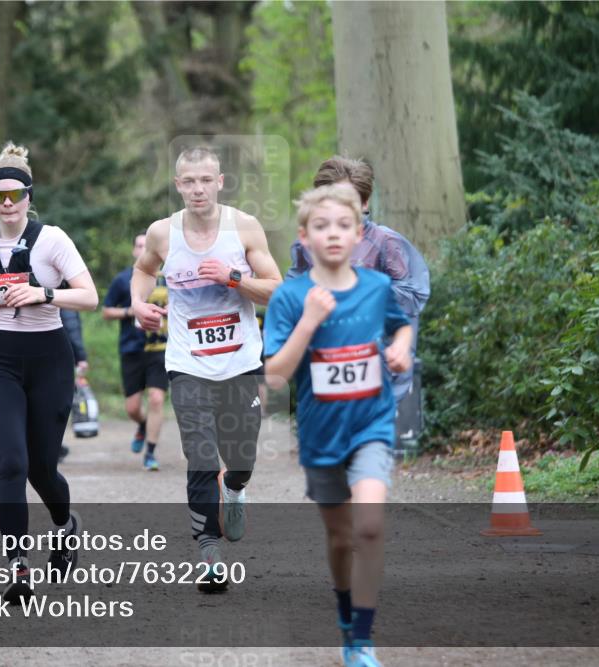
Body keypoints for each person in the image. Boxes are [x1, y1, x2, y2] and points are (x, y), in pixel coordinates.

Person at [264, 184, 412, 667]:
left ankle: (361, 641)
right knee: (341, 537)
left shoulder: (376, 286)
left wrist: (401, 347)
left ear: (358, 233)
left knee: (368, 527)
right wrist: (308, 322)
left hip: (371, 423)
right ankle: (346, 613)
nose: (333, 234)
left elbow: (401, 323)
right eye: (321, 226)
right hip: (321, 434)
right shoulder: (291, 297)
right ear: (304, 237)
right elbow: (274, 374)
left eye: (343, 226)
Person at [0, 142, 98, 603]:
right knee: (9, 462)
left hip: (49, 358)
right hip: (0, 359)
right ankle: (19, 568)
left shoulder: (52, 239)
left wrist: (44, 294)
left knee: (41, 468)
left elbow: (89, 297)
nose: (8, 204)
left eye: (16, 195)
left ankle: (64, 526)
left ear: (30, 195)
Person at [131, 146, 281, 592]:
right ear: (178, 186)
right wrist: (139, 303)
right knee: (200, 457)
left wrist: (233, 279)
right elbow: (143, 270)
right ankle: (209, 553)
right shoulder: (162, 233)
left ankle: (235, 488)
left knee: (241, 458)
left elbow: (277, 291)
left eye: (205, 180)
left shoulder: (244, 228)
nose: (197, 189)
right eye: (188, 181)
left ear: (220, 182)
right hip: (186, 363)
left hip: (240, 363)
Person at [286, 157, 429, 404]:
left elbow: (413, 295)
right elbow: (291, 293)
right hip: (325, 366)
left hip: (378, 369)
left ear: (364, 203)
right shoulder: (306, 245)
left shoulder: (386, 242)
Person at [102, 233, 168, 471]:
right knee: (131, 408)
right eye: (139, 245)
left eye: (147, 246)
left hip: (160, 348)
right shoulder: (123, 280)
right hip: (131, 348)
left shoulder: (167, 279)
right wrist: (132, 311)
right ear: (133, 250)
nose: (143, 249)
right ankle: (142, 424)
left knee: (157, 398)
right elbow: (106, 311)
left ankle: (150, 452)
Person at [58, 307, 89, 463]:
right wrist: (81, 357)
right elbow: (71, 326)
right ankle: (53, 447)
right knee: (55, 405)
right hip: (60, 354)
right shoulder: (65, 294)